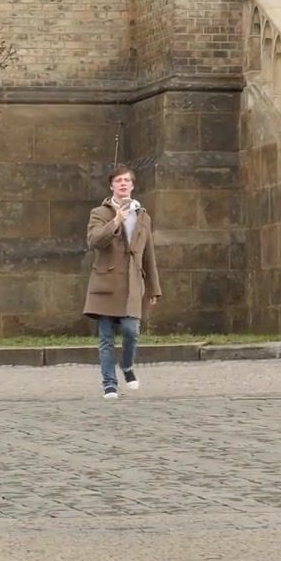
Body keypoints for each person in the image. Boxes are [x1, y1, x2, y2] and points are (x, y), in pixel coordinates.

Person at [84, 165, 162, 400]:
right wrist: (116, 221)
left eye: (127, 180)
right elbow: (94, 241)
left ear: (132, 185)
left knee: (131, 331)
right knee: (106, 337)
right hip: (105, 283)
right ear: (111, 186)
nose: (123, 184)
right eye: (118, 180)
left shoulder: (143, 216)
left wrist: (153, 288)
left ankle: (127, 366)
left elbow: (148, 253)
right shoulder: (99, 213)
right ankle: (109, 384)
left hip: (132, 283)